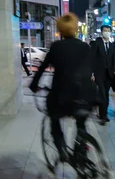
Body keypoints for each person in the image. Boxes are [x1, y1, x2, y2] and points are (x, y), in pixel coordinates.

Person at [29, 13, 97, 164]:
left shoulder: (56, 47)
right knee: (81, 122)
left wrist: (34, 85)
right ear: (75, 29)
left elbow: (41, 69)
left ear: (60, 30)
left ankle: (62, 151)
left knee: (53, 117)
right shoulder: (85, 46)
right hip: (86, 95)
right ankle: (82, 153)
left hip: (62, 97)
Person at [91, 25, 115, 125]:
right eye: (105, 30)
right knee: (102, 93)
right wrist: (92, 73)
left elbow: (114, 60)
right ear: (101, 32)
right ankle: (103, 116)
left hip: (109, 75)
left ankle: (104, 113)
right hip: (99, 73)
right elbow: (92, 58)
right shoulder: (97, 43)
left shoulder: (111, 45)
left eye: (108, 31)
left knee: (106, 94)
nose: (106, 32)